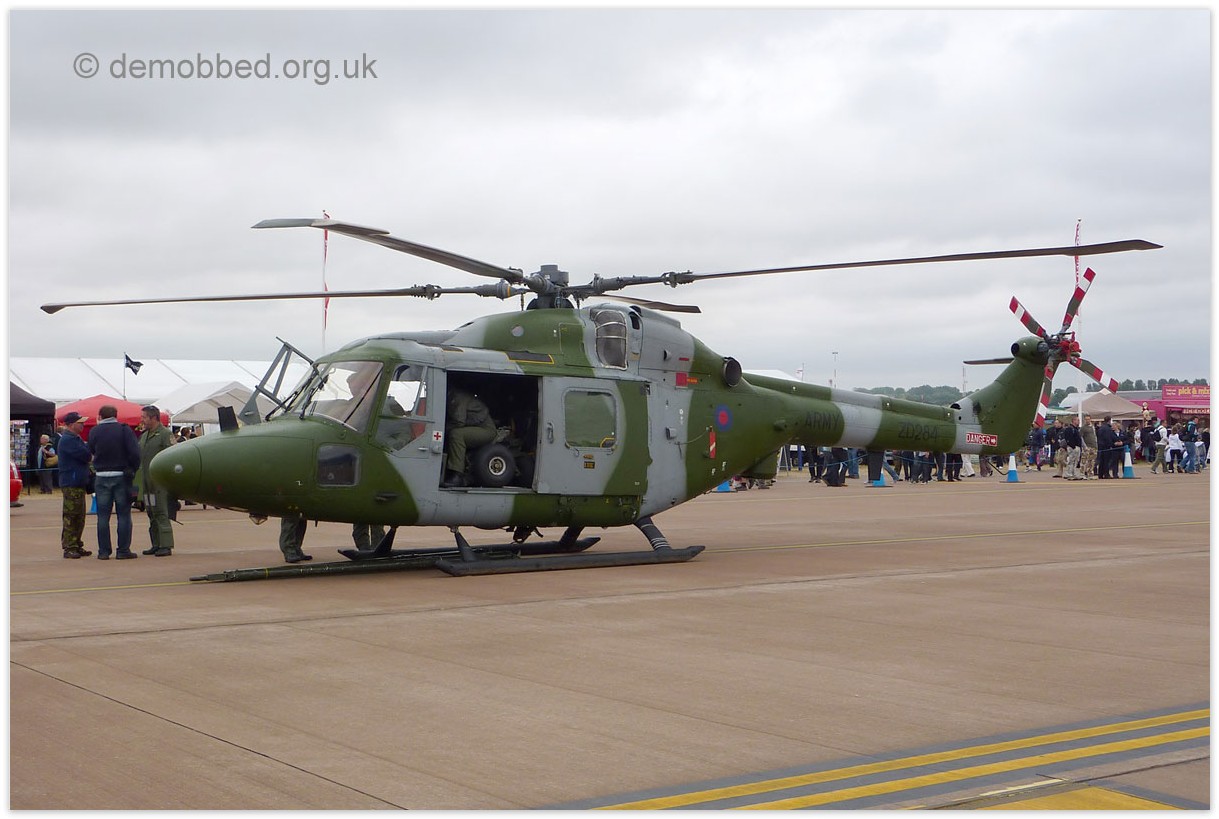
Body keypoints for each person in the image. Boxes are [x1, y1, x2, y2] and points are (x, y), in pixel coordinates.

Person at [88, 404, 141, 560]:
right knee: (123, 514)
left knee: (102, 516)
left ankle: (103, 551)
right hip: (121, 475)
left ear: (100, 416)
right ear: (116, 415)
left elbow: (91, 450)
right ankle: (123, 550)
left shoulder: (94, 431)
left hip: (101, 476)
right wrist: (132, 468)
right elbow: (135, 452)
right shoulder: (124, 430)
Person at [137, 405, 176, 556]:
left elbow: (173, 455)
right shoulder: (145, 435)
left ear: (153, 418)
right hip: (147, 482)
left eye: (144, 417)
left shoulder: (165, 434)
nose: (142, 420)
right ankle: (156, 543)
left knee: (161, 512)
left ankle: (165, 545)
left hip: (160, 482)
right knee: (151, 512)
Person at [443, 387, 497, 487]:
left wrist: (443, 429)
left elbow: (459, 421)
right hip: (476, 428)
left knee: (456, 434)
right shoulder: (451, 398)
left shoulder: (457, 398)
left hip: (486, 430)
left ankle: (457, 475)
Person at [57, 412, 93, 559]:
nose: (83, 425)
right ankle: (69, 546)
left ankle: (77, 544)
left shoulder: (75, 439)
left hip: (78, 481)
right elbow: (86, 455)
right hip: (71, 482)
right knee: (71, 516)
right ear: (71, 424)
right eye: (80, 423)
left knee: (79, 516)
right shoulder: (68, 440)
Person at [1079, 414, 1098, 479]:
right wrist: (1084, 446)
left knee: (1092, 461)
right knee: (1084, 460)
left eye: (1088, 419)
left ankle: (1090, 473)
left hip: (1094, 446)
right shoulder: (1083, 428)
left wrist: (1096, 444)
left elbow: (1095, 436)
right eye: (1086, 419)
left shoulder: (1093, 427)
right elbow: (1081, 437)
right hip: (1087, 446)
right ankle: (1082, 474)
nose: (1087, 420)